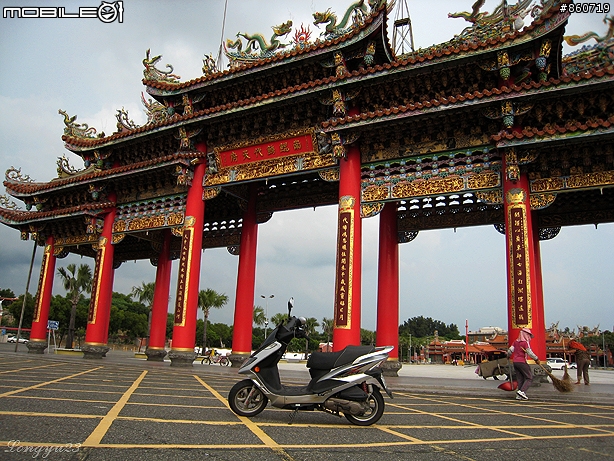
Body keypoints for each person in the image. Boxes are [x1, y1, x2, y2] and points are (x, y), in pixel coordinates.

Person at [507, 327, 540, 400]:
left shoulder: (515, 342)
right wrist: (536, 359)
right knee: (529, 377)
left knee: (520, 378)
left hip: (515, 362)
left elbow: (510, 351)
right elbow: (530, 353)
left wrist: (508, 356)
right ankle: (522, 391)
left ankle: (519, 395)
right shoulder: (525, 343)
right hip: (522, 362)